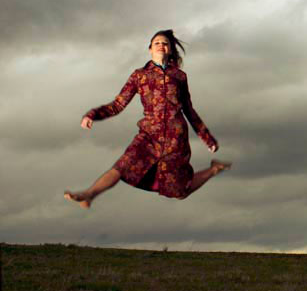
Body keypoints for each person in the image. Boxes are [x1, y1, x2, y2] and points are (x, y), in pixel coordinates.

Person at [64, 29, 231, 209]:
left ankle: (214, 169)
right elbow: (118, 104)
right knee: (122, 166)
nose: (161, 45)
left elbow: (189, 110)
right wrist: (92, 114)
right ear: (150, 49)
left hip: (175, 141)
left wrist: (207, 138)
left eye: (165, 43)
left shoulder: (180, 77)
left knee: (180, 192)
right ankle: (89, 194)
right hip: (149, 136)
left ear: (170, 50)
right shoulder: (139, 75)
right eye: (157, 43)